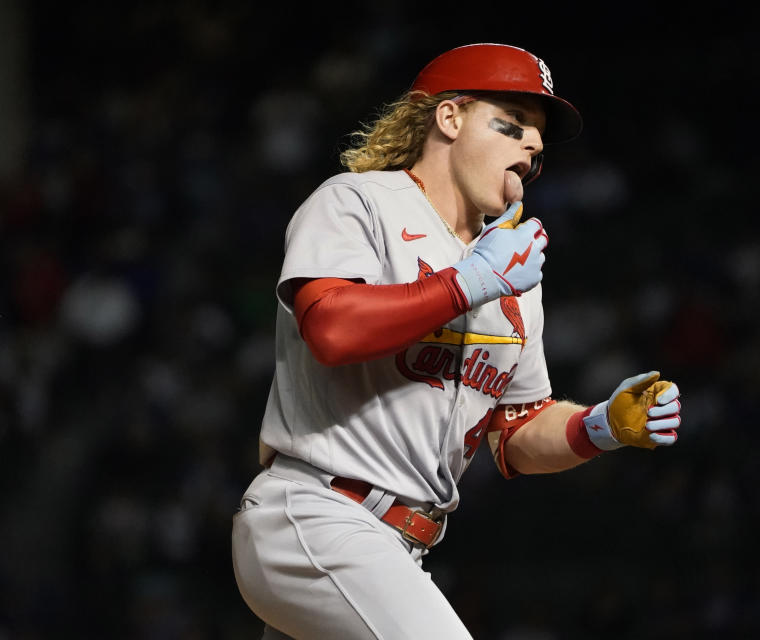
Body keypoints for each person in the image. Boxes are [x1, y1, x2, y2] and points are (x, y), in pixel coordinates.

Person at [230, 42, 683, 640]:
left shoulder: (511, 272)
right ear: (450, 117)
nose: (533, 145)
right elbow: (332, 329)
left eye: (537, 139)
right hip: (316, 515)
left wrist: (598, 427)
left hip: (397, 547)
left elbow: (515, 432)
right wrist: (470, 281)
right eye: (513, 124)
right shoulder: (359, 202)